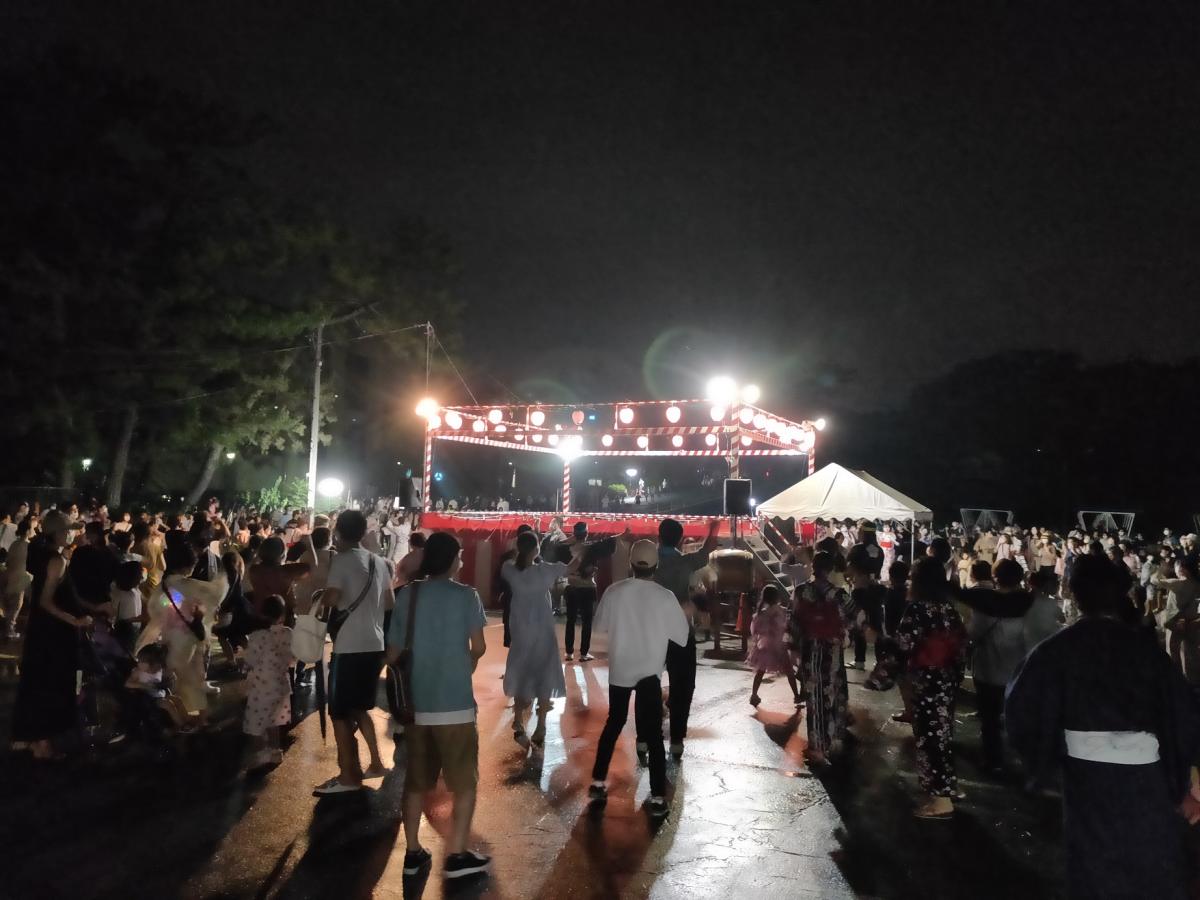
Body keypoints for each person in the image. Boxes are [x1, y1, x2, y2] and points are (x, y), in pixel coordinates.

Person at [1006, 555, 1200, 900]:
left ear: (1073, 593)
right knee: (1150, 867)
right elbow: (1182, 713)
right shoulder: (1146, 651)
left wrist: (1048, 759)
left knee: (1094, 867)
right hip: (1148, 776)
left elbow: (1022, 711)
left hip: (1085, 775)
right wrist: (1184, 782)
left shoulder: (1055, 650)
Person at [387, 531, 490, 880]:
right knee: (464, 783)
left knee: (416, 782)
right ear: (452, 560)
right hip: (456, 705)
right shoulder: (467, 596)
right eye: (459, 556)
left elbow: (393, 652)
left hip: (418, 706)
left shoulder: (408, 595)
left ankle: (413, 853)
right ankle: (457, 854)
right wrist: (464, 664)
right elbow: (478, 646)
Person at [588, 540, 690, 818]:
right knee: (654, 733)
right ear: (656, 565)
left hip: (621, 669)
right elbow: (681, 637)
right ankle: (657, 797)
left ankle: (597, 782)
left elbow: (598, 633)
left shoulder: (614, 591)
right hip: (649, 672)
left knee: (614, 722)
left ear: (631, 564)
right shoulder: (665, 596)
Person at [314, 510, 391, 796]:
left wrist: (320, 596)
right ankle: (376, 763)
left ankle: (348, 776)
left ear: (337, 533)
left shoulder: (342, 560)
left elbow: (332, 598)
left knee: (339, 713)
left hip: (349, 646)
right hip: (375, 644)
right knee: (360, 707)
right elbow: (389, 602)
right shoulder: (379, 562)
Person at [11, 511, 93, 759]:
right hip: (54, 633)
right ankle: (43, 743)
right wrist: (75, 620)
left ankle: (27, 738)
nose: (72, 534)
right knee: (51, 684)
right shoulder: (57, 560)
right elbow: (46, 600)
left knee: (36, 681)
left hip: (40, 629)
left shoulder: (40, 555)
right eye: (68, 530)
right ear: (57, 533)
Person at [895, 558, 968, 818]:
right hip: (946, 678)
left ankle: (941, 800)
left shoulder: (917, 610)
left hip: (926, 680)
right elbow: (961, 645)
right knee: (942, 734)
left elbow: (903, 644)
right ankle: (946, 787)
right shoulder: (949, 609)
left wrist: (885, 673)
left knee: (930, 737)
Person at [650, 517, 719, 759]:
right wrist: (713, 529)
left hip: (653, 632)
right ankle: (677, 739)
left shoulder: (650, 562)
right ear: (680, 539)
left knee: (649, 682)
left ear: (659, 536)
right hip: (680, 631)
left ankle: (648, 735)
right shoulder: (685, 562)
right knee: (683, 685)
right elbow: (707, 551)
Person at [501, 531, 576, 749]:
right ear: (537, 549)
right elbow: (571, 567)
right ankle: (541, 725)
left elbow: (510, 560)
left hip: (520, 631)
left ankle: (518, 719)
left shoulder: (509, 570)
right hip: (542, 631)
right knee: (544, 674)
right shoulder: (544, 570)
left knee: (521, 671)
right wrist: (580, 550)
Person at [961, 559, 1033, 775]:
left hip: (989, 670)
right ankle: (1023, 759)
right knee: (1016, 716)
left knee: (990, 719)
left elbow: (973, 634)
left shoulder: (987, 606)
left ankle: (994, 760)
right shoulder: (1028, 604)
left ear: (996, 578)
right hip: (1018, 671)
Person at [791, 551, 855, 765]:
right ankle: (834, 738)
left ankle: (817, 747)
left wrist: (792, 647)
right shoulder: (839, 594)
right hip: (832, 650)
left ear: (813, 567)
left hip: (810, 650)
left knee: (814, 698)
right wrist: (844, 631)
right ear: (831, 569)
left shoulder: (801, 592)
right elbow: (856, 617)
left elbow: (794, 621)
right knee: (832, 693)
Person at [243, 594, 293, 770]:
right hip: (281, 685)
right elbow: (293, 658)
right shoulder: (288, 633)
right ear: (283, 615)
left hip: (261, 687)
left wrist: (244, 666)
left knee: (255, 721)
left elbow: (250, 660)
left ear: (263, 614)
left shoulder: (257, 636)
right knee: (274, 720)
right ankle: (275, 752)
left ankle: (261, 755)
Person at [562, 521, 618, 662]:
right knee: (587, 622)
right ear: (586, 534)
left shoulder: (567, 548)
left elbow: (557, 547)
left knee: (570, 621)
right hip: (587, 588)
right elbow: (609, 543)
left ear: (574, 534)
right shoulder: (591, 547)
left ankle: (569, 653)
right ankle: (583, 653)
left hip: (571, 587)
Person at [748, 584, 801, 708]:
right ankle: (796, 696)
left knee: (760, 671)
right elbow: (788, 626)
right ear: (777, 597)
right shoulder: (783, 611)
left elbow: (755, 630)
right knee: (789, 671)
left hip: (765, 646)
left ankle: (754, 694)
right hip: (779, 645)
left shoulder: (761, 613)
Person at [3, 518, 32, 639]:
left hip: (11, 576)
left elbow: (8, 561)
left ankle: (9, 628)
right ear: (28, 531)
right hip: (21, 578)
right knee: (16, 605)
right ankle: (9, 630)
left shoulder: (14, 544)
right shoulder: (28, 546)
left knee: (12, 605)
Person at [111, 558, 146, 655]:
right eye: (140, 575)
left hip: (130, 629)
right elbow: (122, 619)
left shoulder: (131, 590)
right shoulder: (127, 595)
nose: (142, 577)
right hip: (126, 633)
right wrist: (142, 618)